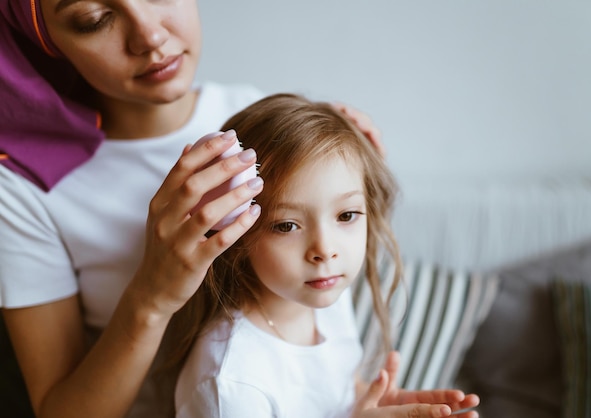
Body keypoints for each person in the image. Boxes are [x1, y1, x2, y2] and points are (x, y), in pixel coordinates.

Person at [0, 1, 472, 417]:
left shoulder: (257, 114)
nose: (150, 36)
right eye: (94, 18)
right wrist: (152, 296)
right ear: (46, 38)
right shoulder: (24, 184)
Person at [172, 93, 480, 418]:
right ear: (236, 235)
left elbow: (332, 392)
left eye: (346, 216)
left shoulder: (324, 297)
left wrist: (367, 404)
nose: (324, 250)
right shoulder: (232, 385)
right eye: (287, 225)